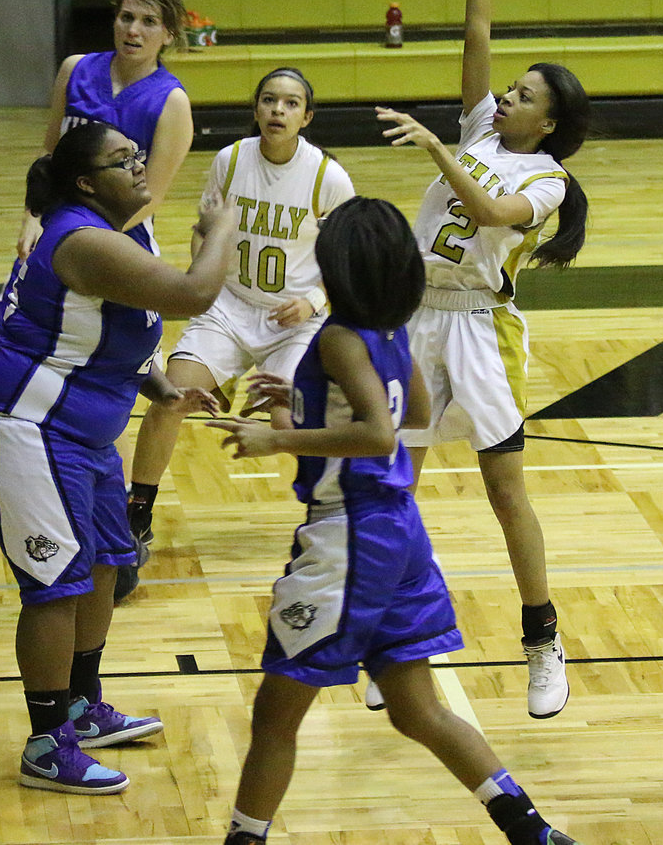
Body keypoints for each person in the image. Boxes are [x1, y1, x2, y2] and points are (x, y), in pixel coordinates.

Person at [208, 196, 582, 845]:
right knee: (417, 710)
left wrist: (278, 439)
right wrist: (301, 404)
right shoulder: (390, 332)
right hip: (398, 533)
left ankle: (244, 838)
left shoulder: (338, 337)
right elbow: (418, 410)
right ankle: (533, 831)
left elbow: (381, 434)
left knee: (273, 716)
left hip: (349, 538)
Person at [0, 122, 237, 795]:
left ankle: (83, 705)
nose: (139, 166)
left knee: (109, 561)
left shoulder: (116, 234)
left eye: (137, 154)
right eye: (122, 160)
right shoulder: (81, 240)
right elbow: (194, 294)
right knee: (56, 586)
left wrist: (163, 387)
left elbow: (114, 330)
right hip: (27, 427)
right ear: (85, 183)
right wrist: (223, 227)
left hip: (82, 433)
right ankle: (47, 744)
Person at [375, 0, 591, 721]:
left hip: (479, 329)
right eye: (510, 88)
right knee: (395, 484)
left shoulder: (548, 180)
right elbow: (477, 32)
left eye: (524, 96)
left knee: (505, 492)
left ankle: (543, 640)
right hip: (416, 317)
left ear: (549, 123)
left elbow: (495, 210)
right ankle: (394, 639)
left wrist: (437, 148)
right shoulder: (480, 127)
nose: (505, 96)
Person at [0, 0, 195, 562]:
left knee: (103, 376)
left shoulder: (171, 101)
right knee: (18, 349)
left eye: (149, 22)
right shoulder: (76, 69)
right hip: (56, 236)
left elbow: (150, 195)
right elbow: (49, 157)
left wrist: (88, 247)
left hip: (116, 248)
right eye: (126, 16)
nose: (134, 30)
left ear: (168, 34)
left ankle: (110, 525)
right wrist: (34, 217)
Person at [115, 67, 355, 600]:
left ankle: (332, 516)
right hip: (229, 306)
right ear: (256, 109)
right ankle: (138, 513)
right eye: (269, 100)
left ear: (306, 117)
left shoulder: (328, 178)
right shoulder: (231, 159)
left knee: (287, 419)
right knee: (171, 397)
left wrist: (313, 301)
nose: (277, 110)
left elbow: (350, 257)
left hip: (294, 320)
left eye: (290, 103)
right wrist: (200, 276)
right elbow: (204, 230)